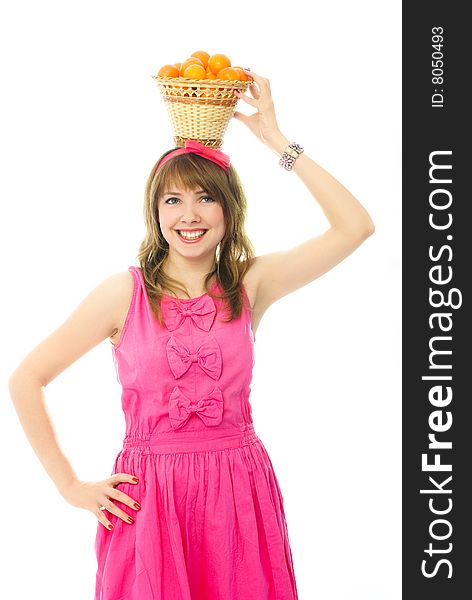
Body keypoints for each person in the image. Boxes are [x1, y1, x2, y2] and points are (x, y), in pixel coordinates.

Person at [8, 69, 374, 599]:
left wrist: (277, 142)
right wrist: (69, 485)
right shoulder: (123, 294)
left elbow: (355, 227)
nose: (189, 216)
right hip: (150, 499)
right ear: (155, 213)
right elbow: (27, 379)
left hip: (237, 491)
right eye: (172, 201)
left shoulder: (252, 283)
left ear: (230, 209)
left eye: (206, 198)